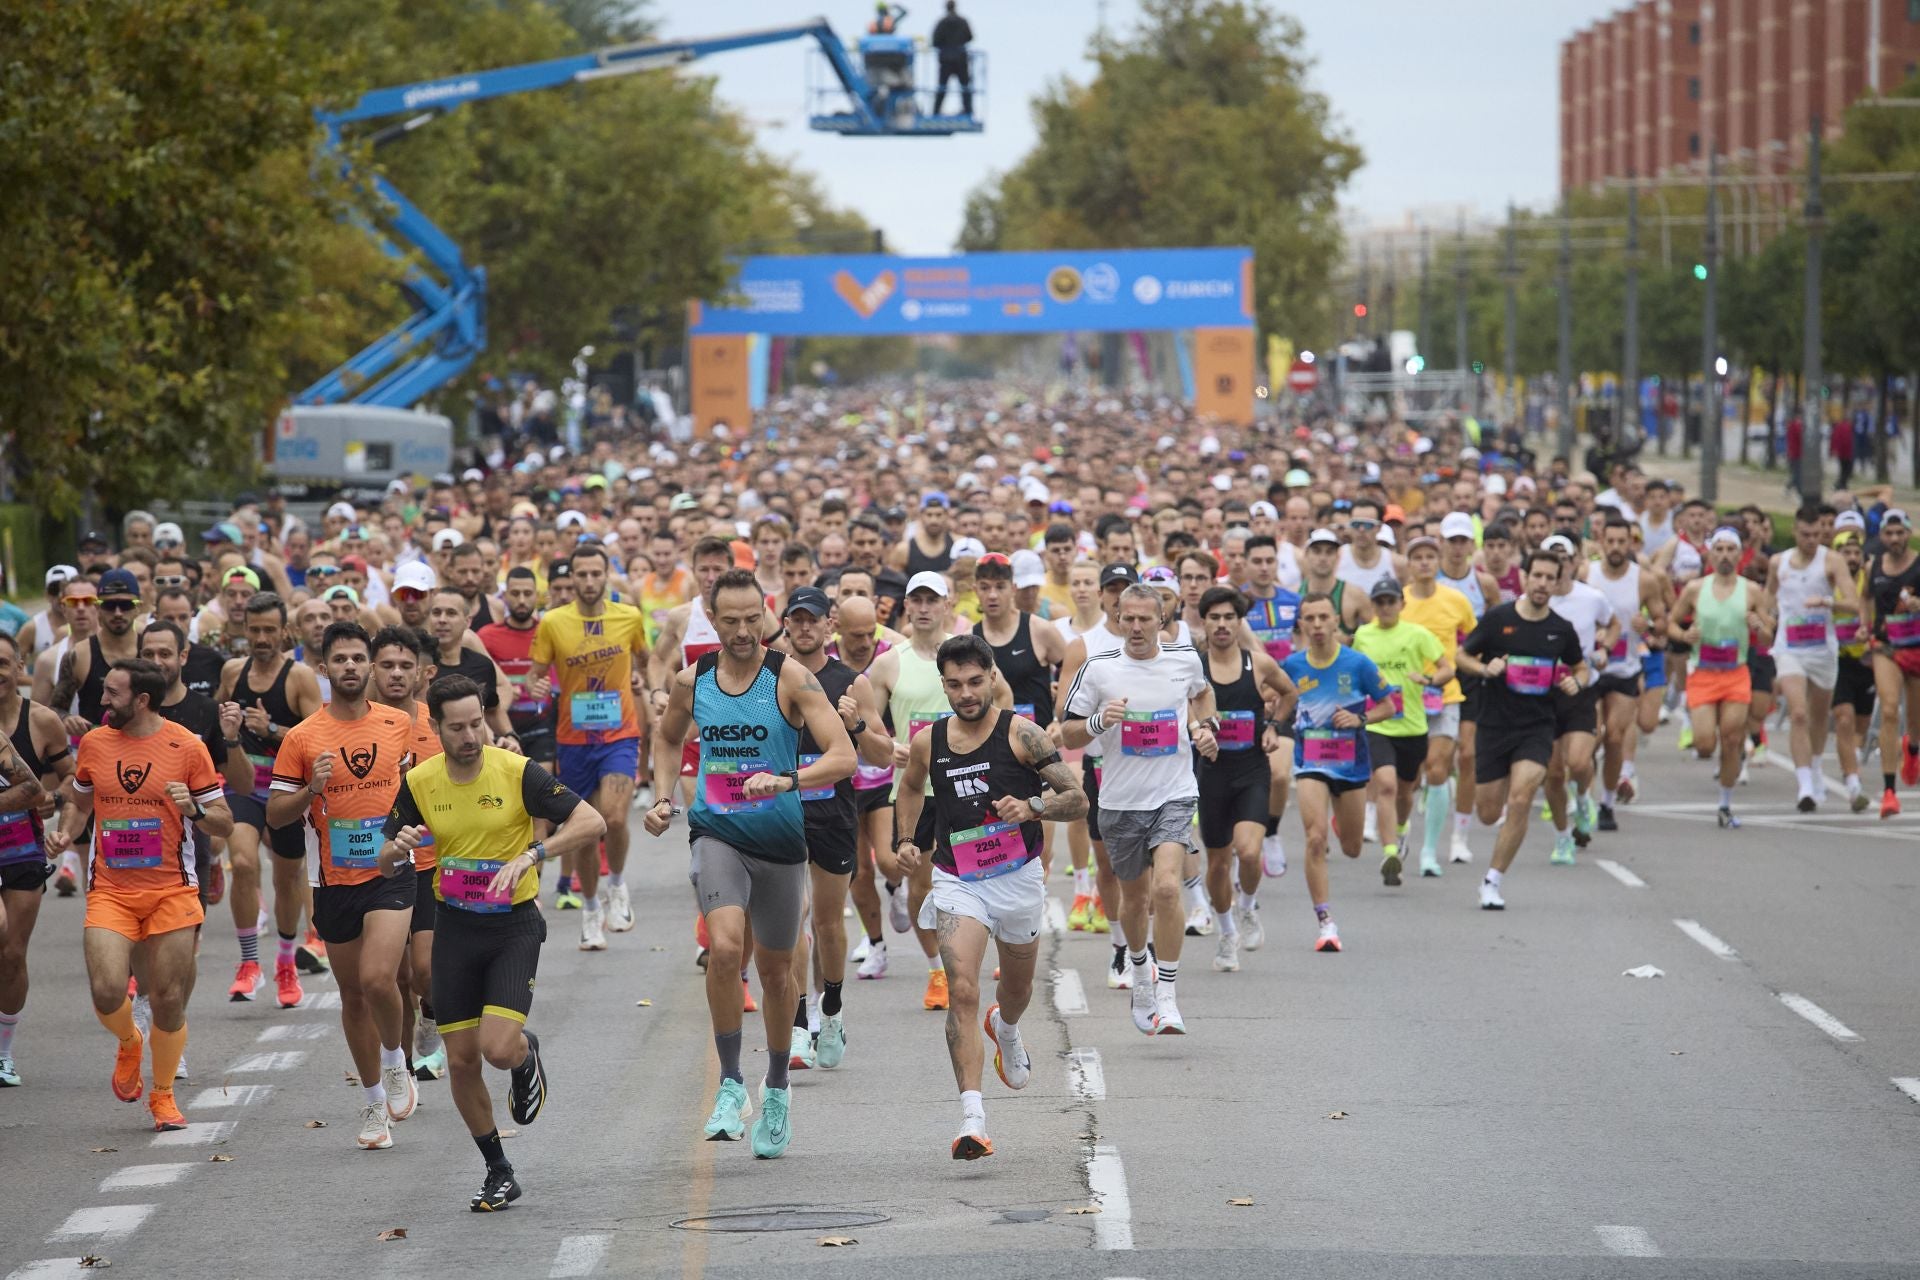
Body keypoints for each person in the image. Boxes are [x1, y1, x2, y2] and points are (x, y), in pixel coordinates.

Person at [644, 568, 855, 1159]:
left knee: (779, 973)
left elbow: (842, 756)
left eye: (751, 619)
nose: (742, 632)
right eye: (729, 621)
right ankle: (732, 1082)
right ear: (711, 620)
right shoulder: (694, 681)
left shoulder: (790, 678)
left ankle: (779, 1085)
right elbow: (666, 739)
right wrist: (664, 797)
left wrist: (788, 778)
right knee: (727, 946)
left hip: (782, 843)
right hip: (717, 833)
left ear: (766, 615)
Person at [378, 674, 605, 1211]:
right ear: (434, 727)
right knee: (460, 1061)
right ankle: (498, 1169)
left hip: (513, 924)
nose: (469, 736)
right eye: (455, 727)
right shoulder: (420, 782)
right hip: (456, 927)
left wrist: (534, 855)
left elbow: (590, 820)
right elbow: (384, 858)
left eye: (476, 722)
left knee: (497, 1048)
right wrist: (399, 846)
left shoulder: (517, 771)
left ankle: (525, 1054)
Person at [894, 634, 1087, 1158]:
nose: (966, 694)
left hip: (1018, 879)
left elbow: (1076, 798)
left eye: (975, 682)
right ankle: (973, 1118)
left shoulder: (1021, 735)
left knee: (1017, 991)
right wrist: (907, 839)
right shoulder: (928, 742)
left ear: (992, 675)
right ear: (943, 685)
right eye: (954, 685)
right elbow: (911, 786)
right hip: (959, 879)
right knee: (961, 987)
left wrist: (1032, 808)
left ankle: (1007, 1026)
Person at [46, 659, 231, 1132]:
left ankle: (163, 1094)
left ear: (142, 700)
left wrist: (192, 808)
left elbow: (223, 820)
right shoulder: (94, 744)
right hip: (111, 890)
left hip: (172, 890)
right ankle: (130, 1040)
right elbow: (82, 801)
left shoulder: (186, 747)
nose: (101, 701)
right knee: (108, 990)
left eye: (111, 694)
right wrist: (67, 833)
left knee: (168, 997)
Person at [267, 622, 421, 1151]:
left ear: (371, 666)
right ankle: (374, 1103)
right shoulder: (303, 737)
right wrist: (311, 788)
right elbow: (276, 813)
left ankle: (396, 1060)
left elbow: (416, 785)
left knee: (380, 978)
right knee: (353, 995)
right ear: (324, 667)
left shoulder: (398, 723)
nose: (352, 666)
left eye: (360, 658)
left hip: (392, 872)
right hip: (332, 880)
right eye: (342, 659)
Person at [1062, 583, 1216, 1034]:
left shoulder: (1184, 660)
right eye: (1126, 617)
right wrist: (1097, 721)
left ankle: (1166, 994)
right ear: (1116, 615)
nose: (1134, 626)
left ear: (1161, 620)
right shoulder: (1098, 668)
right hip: (1120, 800)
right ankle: (1139, 970)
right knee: (1135, 900)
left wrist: (1206, 727)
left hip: (1173, 793)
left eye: (1144, 618)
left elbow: (1203, 695)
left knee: (1167, 889)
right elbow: (1067, 732)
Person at [868, 570, 1013, 1011]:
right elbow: (870, 726)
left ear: (948, 603)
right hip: (918, 788)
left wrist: (992, 745)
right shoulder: (890, 662)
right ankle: (937, 969)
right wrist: (889, 746)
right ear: (906, 606)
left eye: (934, 599)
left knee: (983, 875)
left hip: (969, 786)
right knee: (920, 884)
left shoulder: (966, 655)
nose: (925, 607)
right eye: (918, 600)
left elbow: (1002, 697)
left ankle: (972, 960)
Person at [775, 586, 891, 1070]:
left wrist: (857, 727)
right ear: (786, 624)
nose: (804, 627)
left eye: (813, 619)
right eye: (796, 619)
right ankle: (799, 1025)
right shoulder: (771, 675)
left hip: (834, 812)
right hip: (783, 811)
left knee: (826, 921)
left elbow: (884, 755)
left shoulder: (852, 682)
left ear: (830, 626)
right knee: (794, 918)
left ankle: (834, 1009)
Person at [528, 544, 651, 948]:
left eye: (595, 573)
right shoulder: (553, 623)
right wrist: (540, 686)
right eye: (580, 574)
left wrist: (641, 683)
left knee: (614, 819)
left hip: (620, 733)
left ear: (606, 574)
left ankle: (616, 886)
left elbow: (644, 659)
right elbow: (535, 676)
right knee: (583, 827)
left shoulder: (629, 616)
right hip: (573, 738)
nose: (588, 582)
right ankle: (590, 907)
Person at [214, 591, 326, 1009]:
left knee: (285, 879)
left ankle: (284, 960)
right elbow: (217, 724)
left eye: (269, 630)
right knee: (242, 862)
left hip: (286, 792)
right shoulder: (232, 672)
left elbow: (319, 737)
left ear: (285, 632)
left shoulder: (298, 677)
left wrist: (273, 727)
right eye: (254, 629)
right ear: (245, 630)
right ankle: (248, 963)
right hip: (243, 786)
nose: (261, 637)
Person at [1456, 554, 1588, 908]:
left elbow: (1580, 666)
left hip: (1537, 726)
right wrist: (1486, 668)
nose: (1543, 583)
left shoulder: (1561, 629)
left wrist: (1577, 681)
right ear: (1526, 578)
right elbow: (1462, 656)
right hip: (1494, 724)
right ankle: (1492, 857)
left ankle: (1492, 881)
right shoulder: (1499, 619)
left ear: (1558, 583)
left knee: (1521, 798)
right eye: (1538, 576)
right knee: (1487, 812)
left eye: (1551, 578)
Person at [1278, 594, 1398, 951]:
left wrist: (1360, 718)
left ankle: (1339, 822)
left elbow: (1389, 706)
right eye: (1309, 618)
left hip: (1351, 764)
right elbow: (1277, 699)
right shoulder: (1292, 666)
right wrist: (1273, 721)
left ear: (1336, 623)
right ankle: (1325, 922)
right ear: (1300, 624)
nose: (1316, 625)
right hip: (1310, 761)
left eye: (1322, 618)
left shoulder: (1358, 664)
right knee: (1315, 839)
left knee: (1352, 847)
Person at [1192, 587, 1294, 971]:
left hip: (1251, 769)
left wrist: (1273, 727)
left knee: (1249, 852)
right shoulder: (1194, 667)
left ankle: (1248, 907)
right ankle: (1226, 932)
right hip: (1212, 774)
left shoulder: (1260, 664)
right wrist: (1195, 731)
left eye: (1229, 618)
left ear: (1238, 622)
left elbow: (1289, 693)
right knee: (1218, 863)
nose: (1222, 625)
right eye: (1214, 617)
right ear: (1204, 622)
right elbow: (1182, 706)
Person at [0, 631, 75, 1087]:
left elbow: (71, 778)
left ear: (18, 667)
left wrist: (55, 801)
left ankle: (3, 1053)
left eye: (2, 664)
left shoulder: (41, 721)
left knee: (11, 954)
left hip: (21, 847)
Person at [1668, 528, 1776, 829]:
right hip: (1703, 673)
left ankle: (1725, 804)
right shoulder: (1694, 589)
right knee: (1704, 744)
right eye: (1720, 549)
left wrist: (1759, 626)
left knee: (1731, 738)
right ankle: (1720, 763)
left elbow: (1769, 636)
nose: (1725, 555)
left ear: (1740, 555)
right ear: (1710, 554)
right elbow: (1671, 624)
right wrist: (1685, 635)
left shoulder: (1752, 590)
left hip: (1736, 673)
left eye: (1731, 549)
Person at [1351, 578, 1449, 887]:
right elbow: (1354, 673)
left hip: (1413, 726)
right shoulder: (1363, 636)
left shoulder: (1418, 634)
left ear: (1401, 604)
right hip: (1378, 722)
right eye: (1379, 602)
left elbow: (1448, 668)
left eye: (1390, 601)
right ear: (1373, 606)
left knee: (1406, 790)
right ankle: (1390, 852)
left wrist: (1429, 679)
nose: (1385, 607)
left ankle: (1402, 828)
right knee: (1386, 785)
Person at [1765, 504, 1858, 812]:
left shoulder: (1832, 561)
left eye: (1817, 534)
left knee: (1819, 717)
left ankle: (1815, 767)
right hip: (1789, 648)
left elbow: (1854, 604)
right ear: (1795, 531)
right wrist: (1762, 621)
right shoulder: (1779, 562)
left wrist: (1827, 602)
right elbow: (1768, 603)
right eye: (1805, 535)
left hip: (1822, 649)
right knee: (1799, 713)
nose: (1811, 540)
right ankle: (1804, 784)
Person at [1399, 535, 1477, 877]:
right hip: (1406, 698)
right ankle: (1401, 831)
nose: (1425, 562)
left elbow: (1473, 641)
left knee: (1438, 768)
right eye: (1418, 557)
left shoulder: (1456, 600)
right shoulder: (1397, 601)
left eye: (1431, 556)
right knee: (1409, 777)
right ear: (1409, 563)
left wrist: (1467, 665)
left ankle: (1429, 850)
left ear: (1439, 559)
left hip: (1446, 694)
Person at [930, 1, 973, 116]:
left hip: (946, 59)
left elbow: (935, 41)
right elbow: (970, 37)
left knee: (942, 86)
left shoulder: (942, 22)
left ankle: (936, 111)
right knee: (964, 86)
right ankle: (968, 110)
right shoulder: (963, 22)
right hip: (960, 58)